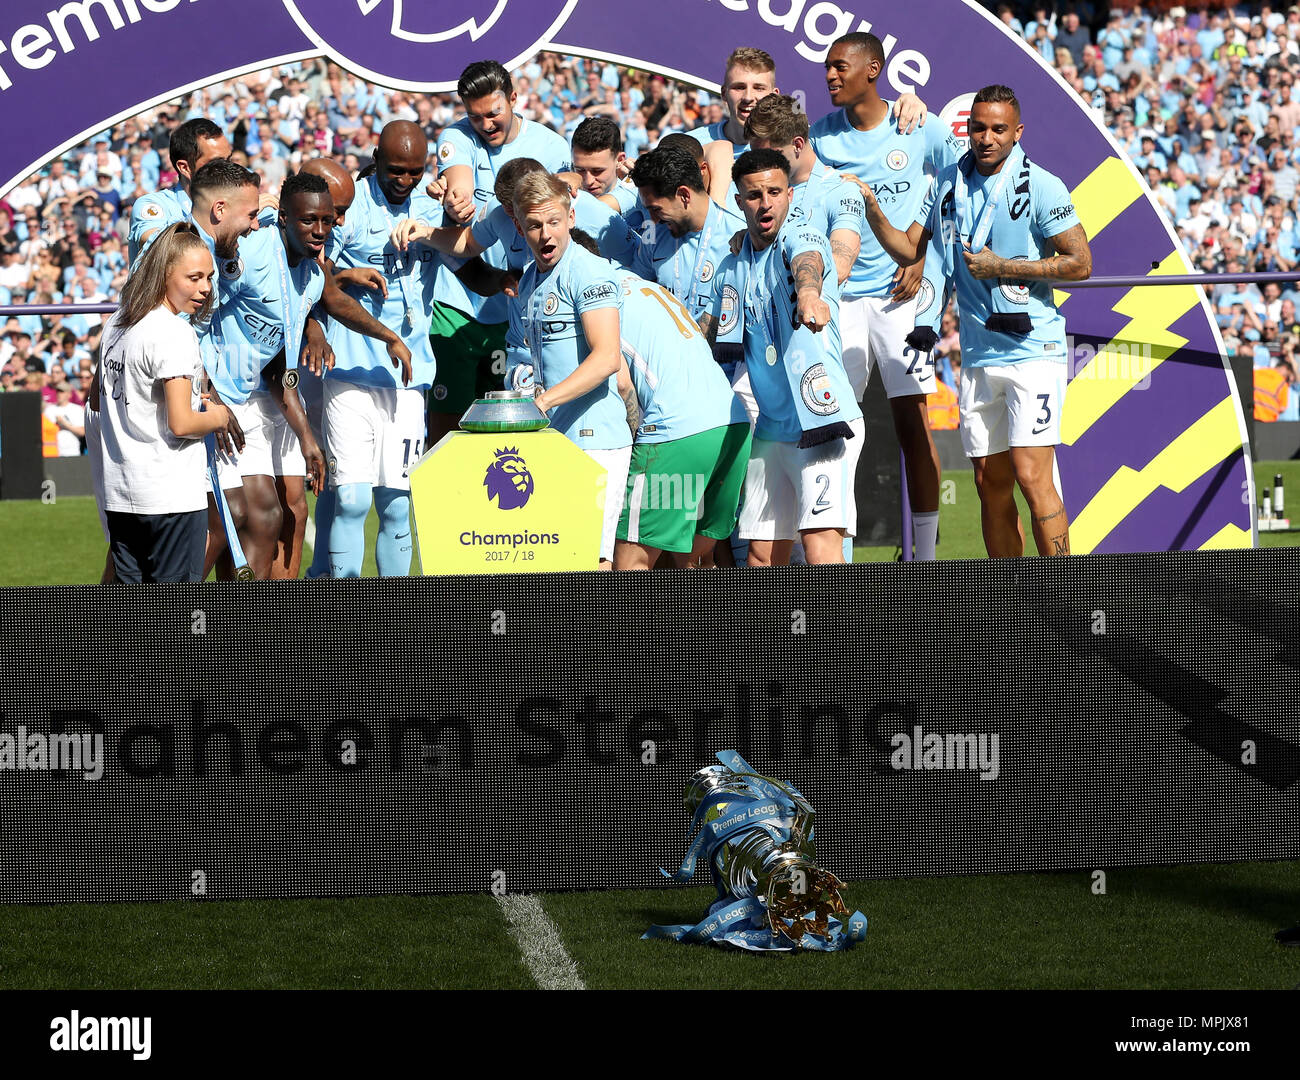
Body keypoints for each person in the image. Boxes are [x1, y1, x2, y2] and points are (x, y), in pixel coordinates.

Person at [907, 85, 1091, 558]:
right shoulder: (949, 181)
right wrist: (868, 204)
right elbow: (923, 249)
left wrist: (1004, 266)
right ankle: (1009, 592)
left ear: (1017, 132)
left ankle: (1067, 588)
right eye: (978, 128)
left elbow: (1080, 264)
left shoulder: (1043, 184)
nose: (986, 138)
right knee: (989, 483)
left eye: (998, 129)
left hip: (1033, 352)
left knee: (1032, 475)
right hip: (978, 353)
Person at [711, 149, 864, 567]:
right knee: (761, 556)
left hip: (823, 419)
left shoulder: (803, 234)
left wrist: (810, 293)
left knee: (820, 547)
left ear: (790, 195)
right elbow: (712, 337)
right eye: (754, 195)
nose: (766, 203)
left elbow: (807, 262)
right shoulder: (732, 265)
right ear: (739, 201)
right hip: (773, 427)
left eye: (775, 192)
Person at [428, 61, 570, 445]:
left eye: (493, 114)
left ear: (513, 98)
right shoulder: (455, 136)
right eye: (475, 117)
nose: (486, 125)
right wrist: (456, 200)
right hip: (458, 303)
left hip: (517, 308)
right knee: (446, 425)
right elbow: (460, 183)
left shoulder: (552, 147)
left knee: (509, 425)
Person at [321, 121, 432, 578]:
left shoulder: (431, 205)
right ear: (376, 159)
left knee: (396, 505)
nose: (405, 180)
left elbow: (465, 254)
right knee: (350, 500)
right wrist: (346, 275)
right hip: (349, 374)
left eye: (415, 171)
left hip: (409, 379)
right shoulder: (348, 205)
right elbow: (313, 275)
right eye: (395, 170)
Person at [94, 222, 229, 582]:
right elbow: (181, 423)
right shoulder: (173, 331)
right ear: (165, 274)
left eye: (209, 277)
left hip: (122, 494)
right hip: (170, 496)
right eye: (193, 278)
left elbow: (98, 399)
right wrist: (218, 417)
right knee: (173, 612)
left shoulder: (117, 322)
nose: (205, 288)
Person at [510, 172, 632, 569]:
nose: (546, 234)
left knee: (591, 562)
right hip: (555, 439)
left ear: (571, 218)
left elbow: (607, 357)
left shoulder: (588, 271)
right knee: (558, 561)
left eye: (554, 221)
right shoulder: (530, 279)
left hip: (595, 441)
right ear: (519, 228)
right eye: (534, 225)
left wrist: (542, 403)